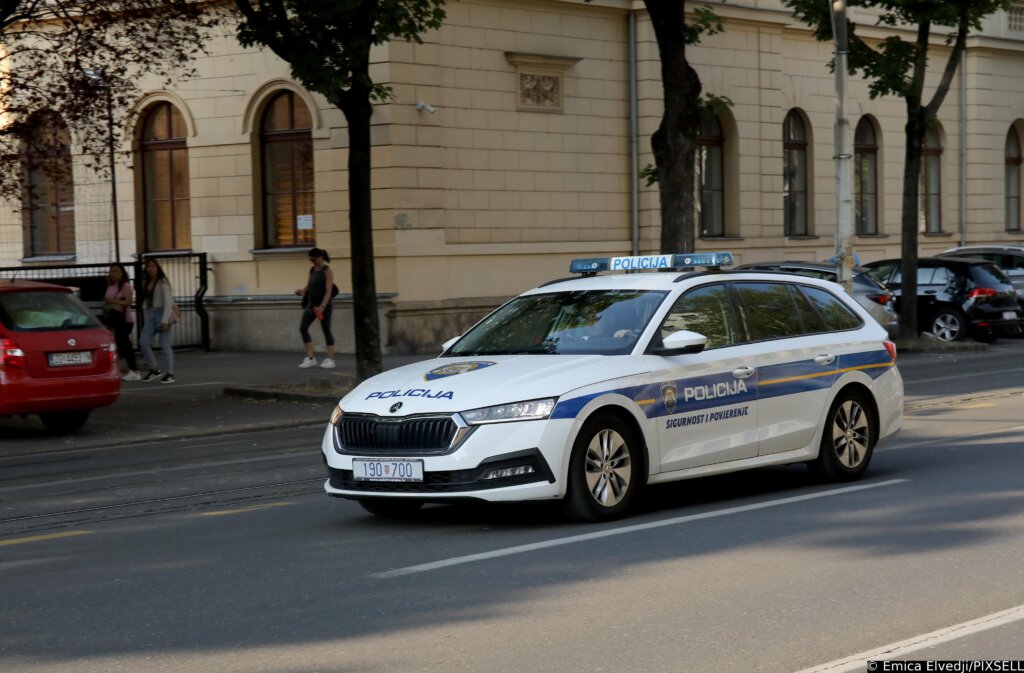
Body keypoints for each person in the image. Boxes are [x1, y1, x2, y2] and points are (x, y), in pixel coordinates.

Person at [295, 247, 337, 369]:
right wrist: (302, 291)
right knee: (303, 328)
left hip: (324, 306)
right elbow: (309, 284)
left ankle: (330, 360)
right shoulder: (312, 269)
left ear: (320, 258)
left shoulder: (327, 271)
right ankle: (310, 358)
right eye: (311, 260)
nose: (312, 262)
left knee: (326, 330)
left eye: (314, 260)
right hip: (311, 304)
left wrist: (323, 306)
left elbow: (328, 291)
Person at [139, 258, 176, 383]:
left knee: (165, 346)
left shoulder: (163, 282)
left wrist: (165, 320)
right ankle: (154, 369)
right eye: (148, 266)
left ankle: (170, 374)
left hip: (163, 313)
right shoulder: (147, 282)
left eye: (153, 266)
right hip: (152, 314)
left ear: (158, 268)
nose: (151, 269)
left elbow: (168, 302)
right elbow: (146, 302)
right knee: (143, 342)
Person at [103, 263, 141, 381]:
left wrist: (112, 301)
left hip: (124, 320)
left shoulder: (125, 286)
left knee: (125, 344)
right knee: (119, 345)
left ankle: (134, 371)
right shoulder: (110, 287)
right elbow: (106, 302)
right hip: (113, 319)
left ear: (122, 273)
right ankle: (128, 370)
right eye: (112, 271)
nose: (114, 274)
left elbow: (128, 302)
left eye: (117, 271)